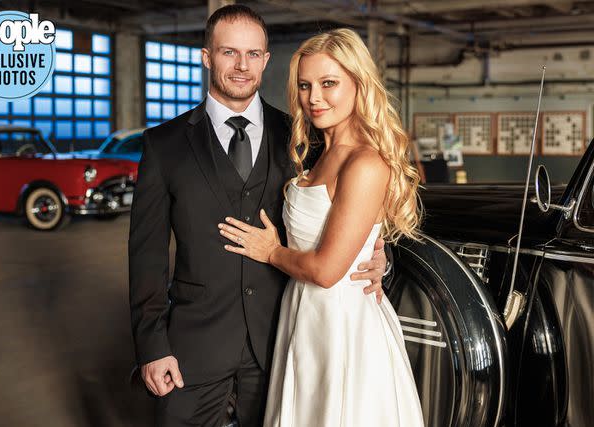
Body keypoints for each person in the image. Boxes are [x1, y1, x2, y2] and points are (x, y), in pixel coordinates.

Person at [128, 6, 388, 426]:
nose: (242, 66)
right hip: (194, 344)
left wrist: (376, 256)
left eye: (253, 54)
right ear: (207, 56)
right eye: (229, 52)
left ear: (267, 60)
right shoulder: (164, 145)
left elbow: (345, 211)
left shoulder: (303, 139)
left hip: (283, 339)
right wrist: (152, 345)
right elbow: (146, 255)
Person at [218, 29, 425, 426]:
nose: (314, 98)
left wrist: (271, 251)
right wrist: (374, 251)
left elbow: (329, 271)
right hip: (304, 313)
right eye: (304, 85)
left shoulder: (364, 163)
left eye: (329, 83)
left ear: (358, 85)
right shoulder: (316, 153)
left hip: (342, 324)